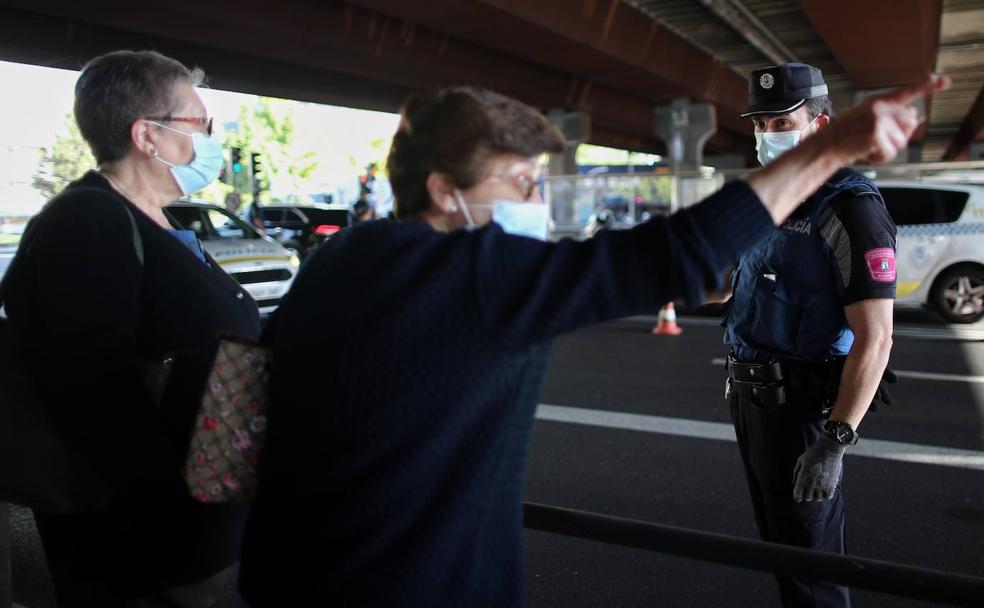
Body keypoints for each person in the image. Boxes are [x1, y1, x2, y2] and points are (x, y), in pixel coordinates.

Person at [239, 79, 944, 606]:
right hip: (416, 587)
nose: (533, 198)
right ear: (443, 189)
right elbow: (677, 254)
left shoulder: (341, 258)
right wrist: (831, 148)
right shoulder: (481, 277)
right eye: (520, 181)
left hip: (287, 570)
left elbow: (248, 396)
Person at [0, 50, 260, 607]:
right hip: (147, 549)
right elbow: (94, 392)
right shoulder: (87, 222)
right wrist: (180, 505)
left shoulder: (155, 220)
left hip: (200, 520)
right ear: (148, 135)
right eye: (200, 123)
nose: (212, 138)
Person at [723, 63, 901, 607]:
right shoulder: (766, 198)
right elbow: (728, 284)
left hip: (804, 411)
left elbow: (877, 340)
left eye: (780, 124)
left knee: (810, 559)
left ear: (819, 126)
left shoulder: (849, 209)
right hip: (752, 400)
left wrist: (834, 442)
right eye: (759, 124)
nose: (766, 136)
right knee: (780, 547)